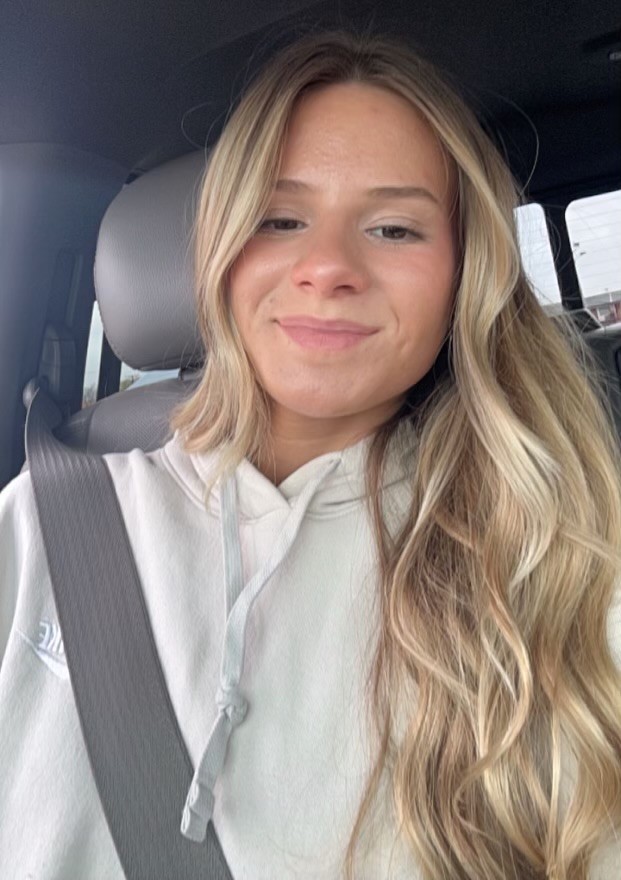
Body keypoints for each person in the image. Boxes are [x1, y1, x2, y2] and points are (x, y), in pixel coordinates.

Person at [1, 29, 620, 880]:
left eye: (394, 228)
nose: (327, 267)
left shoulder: (557, 556)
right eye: (280, 219)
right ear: (220, 249)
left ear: (462, 272)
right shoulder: (39, 522)